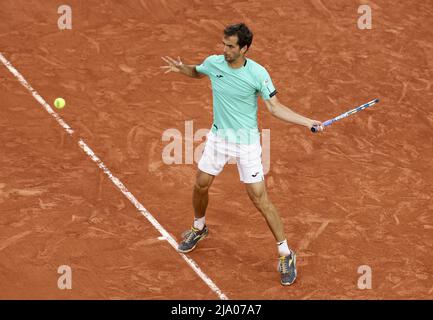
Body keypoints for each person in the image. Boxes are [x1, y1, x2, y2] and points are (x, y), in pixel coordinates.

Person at [161, 23, 324, 286]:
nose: (224, 50)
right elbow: (198, 72)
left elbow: (274, 107)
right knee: (201, 184)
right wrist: (183, 69)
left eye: (230, 46)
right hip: (218, 139)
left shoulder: (258, 74)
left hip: (246, 144)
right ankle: (199, 228)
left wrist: (307, 121)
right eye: (224, 44)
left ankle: (285, 253)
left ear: (244, 48)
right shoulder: (214, 63)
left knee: (259, 199)